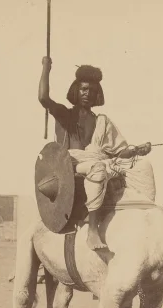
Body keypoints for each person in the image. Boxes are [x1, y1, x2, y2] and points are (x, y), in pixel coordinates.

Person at [38, 57, 155, 250]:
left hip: (99, 162)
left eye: (92, 91)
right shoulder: (64, 115)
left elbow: (118, 152)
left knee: (143, 166)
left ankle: (142, 218)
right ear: (76, 90)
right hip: (71, 164)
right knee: (98, 168)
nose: (88, 94)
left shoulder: (102, 121)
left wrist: (136, 149)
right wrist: (46, 68)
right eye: (84, 89)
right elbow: (43, 98)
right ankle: (92, 231)